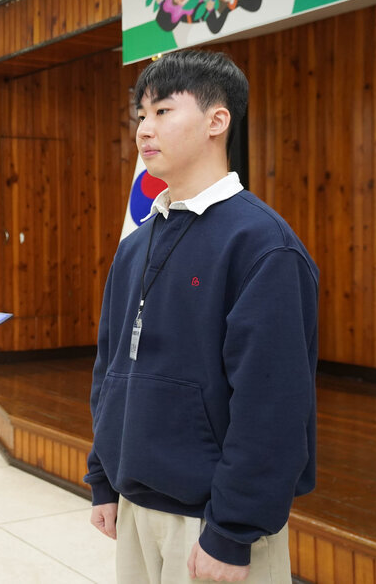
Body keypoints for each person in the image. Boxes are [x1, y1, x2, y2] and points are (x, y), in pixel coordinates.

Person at [84, 50, 318, 583]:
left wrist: (232, 530)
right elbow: (111, 365)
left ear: (218, 121)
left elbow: (273, 405)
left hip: (212, 520)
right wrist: (103, 476)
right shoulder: (137, 244)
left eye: (163, 110)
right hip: (136, 501)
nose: (145, 127)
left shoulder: (263, 245)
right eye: (140, 114)